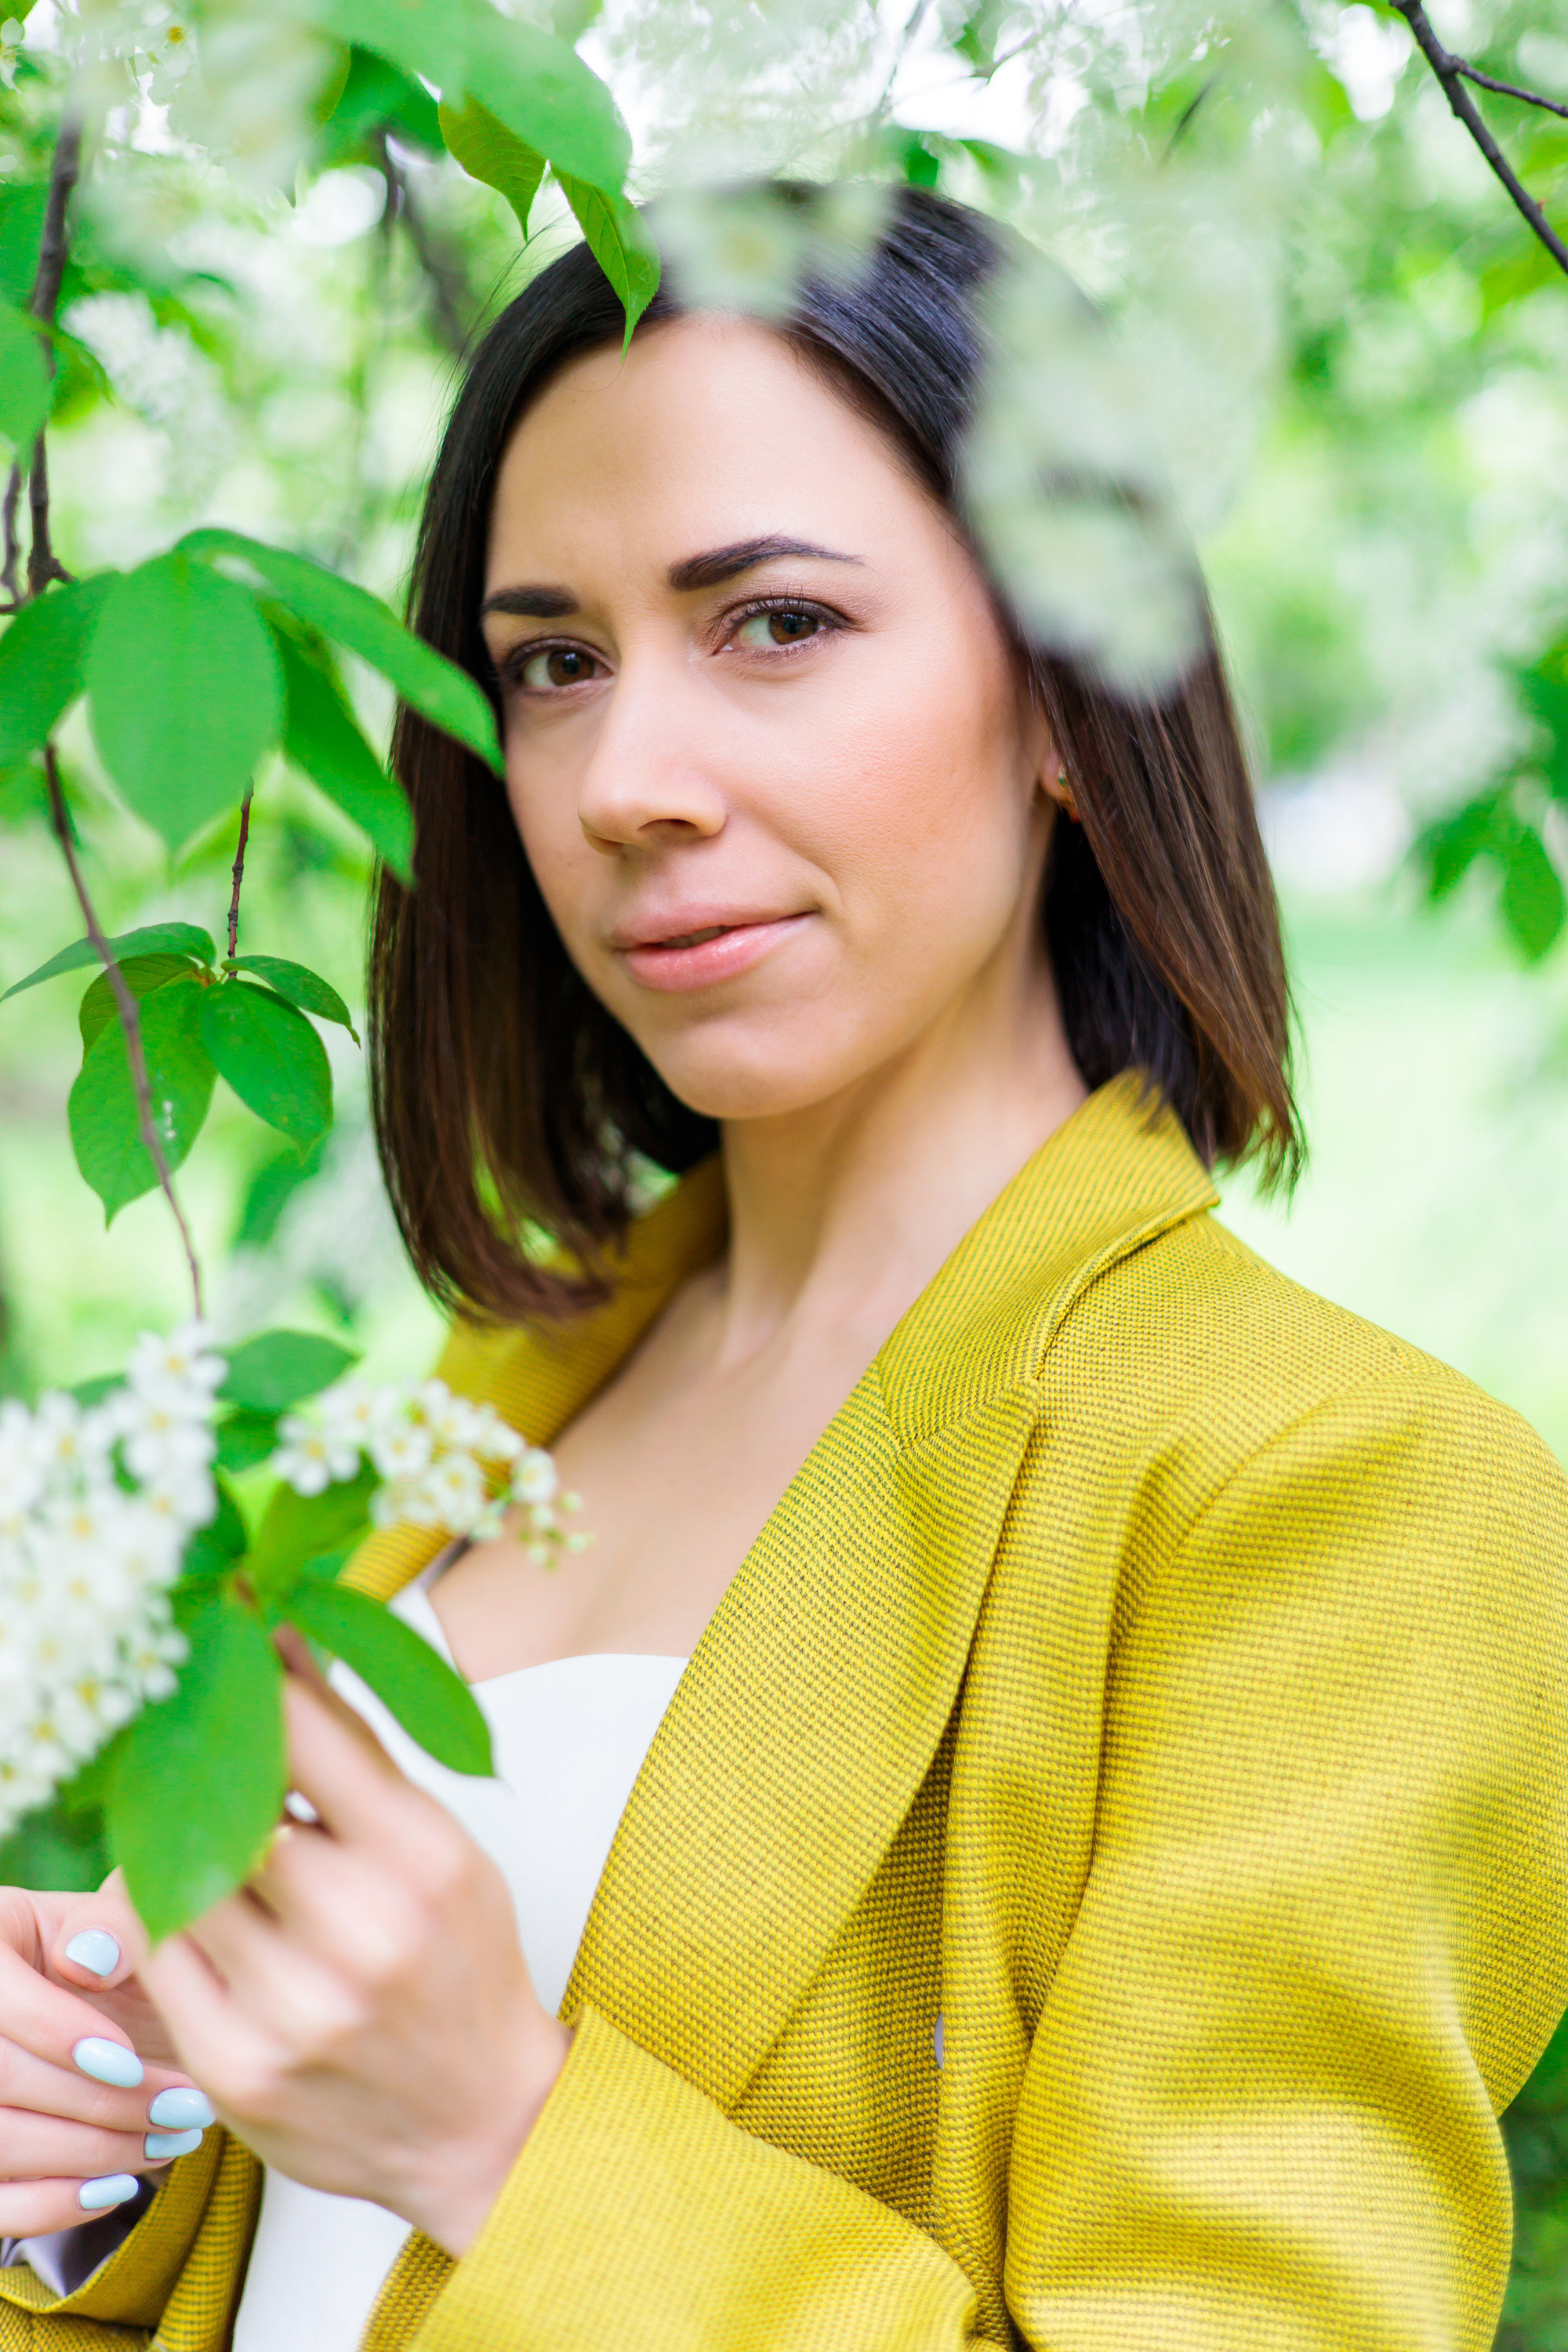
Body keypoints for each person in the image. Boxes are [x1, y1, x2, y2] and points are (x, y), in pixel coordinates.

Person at [1, 181, 1564, 2352]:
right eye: (551, 663)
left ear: (1069, 685)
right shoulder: (492, 1401)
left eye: (778, 624)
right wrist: (97, 2163)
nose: (627, 781)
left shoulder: (1347, 1499)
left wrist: (501, 2136)